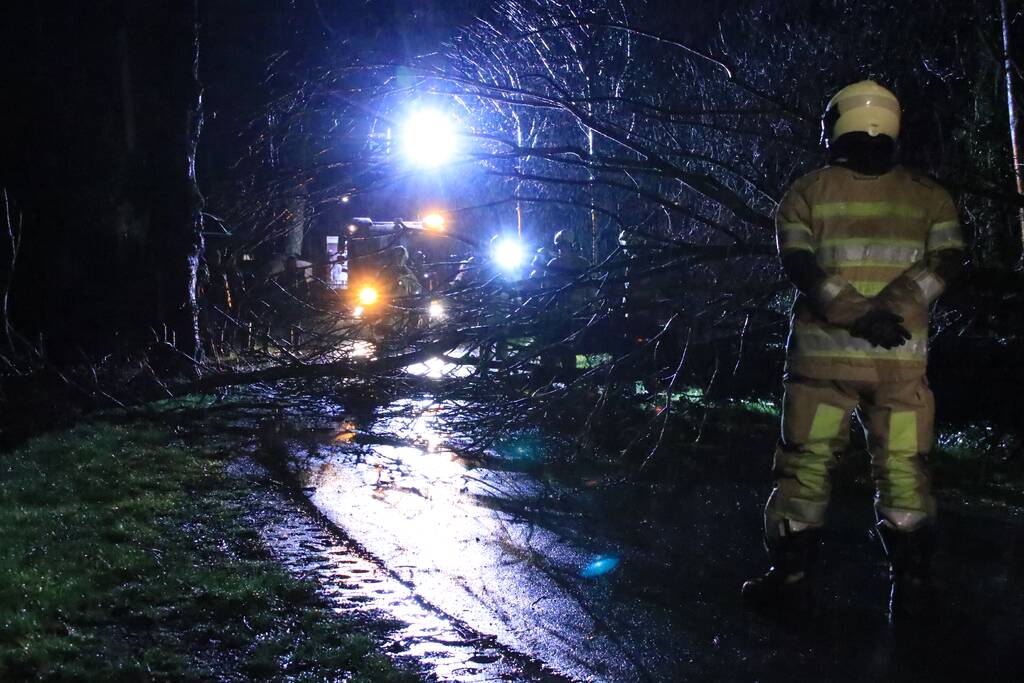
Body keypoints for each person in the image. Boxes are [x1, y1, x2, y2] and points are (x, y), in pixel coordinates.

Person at [741, 81, 966, 622]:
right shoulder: (930, 197)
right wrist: (890, 310)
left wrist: (856, 314)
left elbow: (802, 270)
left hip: (823, 366)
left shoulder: (805, 193)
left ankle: (790, 582)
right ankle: (912, 592)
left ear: (839, 123)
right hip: (899, 367)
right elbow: (948, 262)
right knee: (905, 469)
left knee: (806, 467)